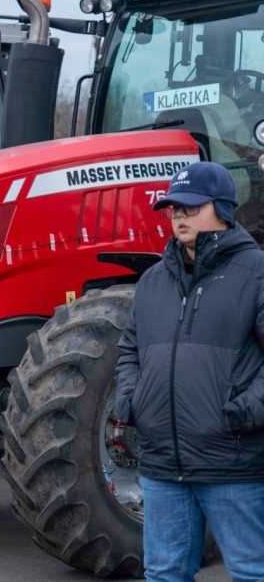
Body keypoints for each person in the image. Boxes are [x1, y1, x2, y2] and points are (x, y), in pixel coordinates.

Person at [114, 161, 264, 581]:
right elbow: (129, 350)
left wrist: (241, 413)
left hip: (231, 460)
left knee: (253, 571)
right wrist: (132, 400)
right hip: (163, 464)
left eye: (191, 206)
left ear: (222, 208)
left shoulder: (256, 273)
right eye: (173, 207)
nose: (178, 215)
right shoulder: (154, 281)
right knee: (164, 573)